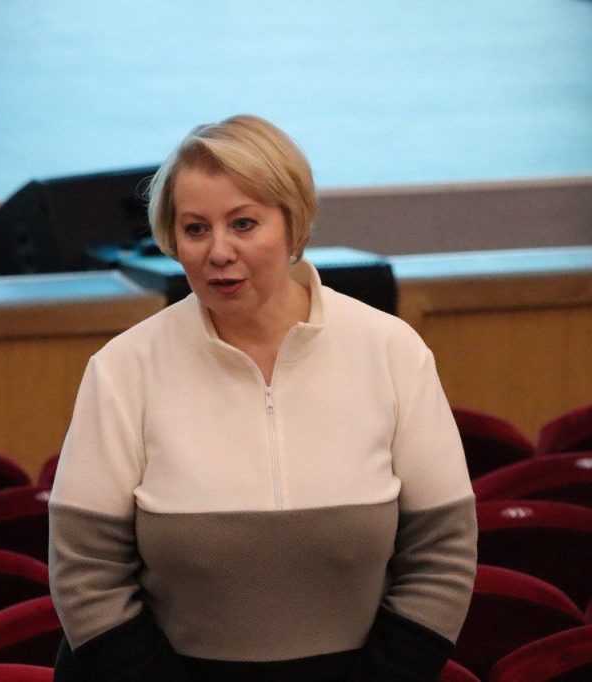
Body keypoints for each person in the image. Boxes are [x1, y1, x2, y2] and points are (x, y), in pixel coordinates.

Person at [49, 114, 477, 682]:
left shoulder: (392, 350)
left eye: (244, 224)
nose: (218, 251)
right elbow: (86, 576)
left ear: (294, 225)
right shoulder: (123, 368)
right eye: (195, 229)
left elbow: (442, 558)